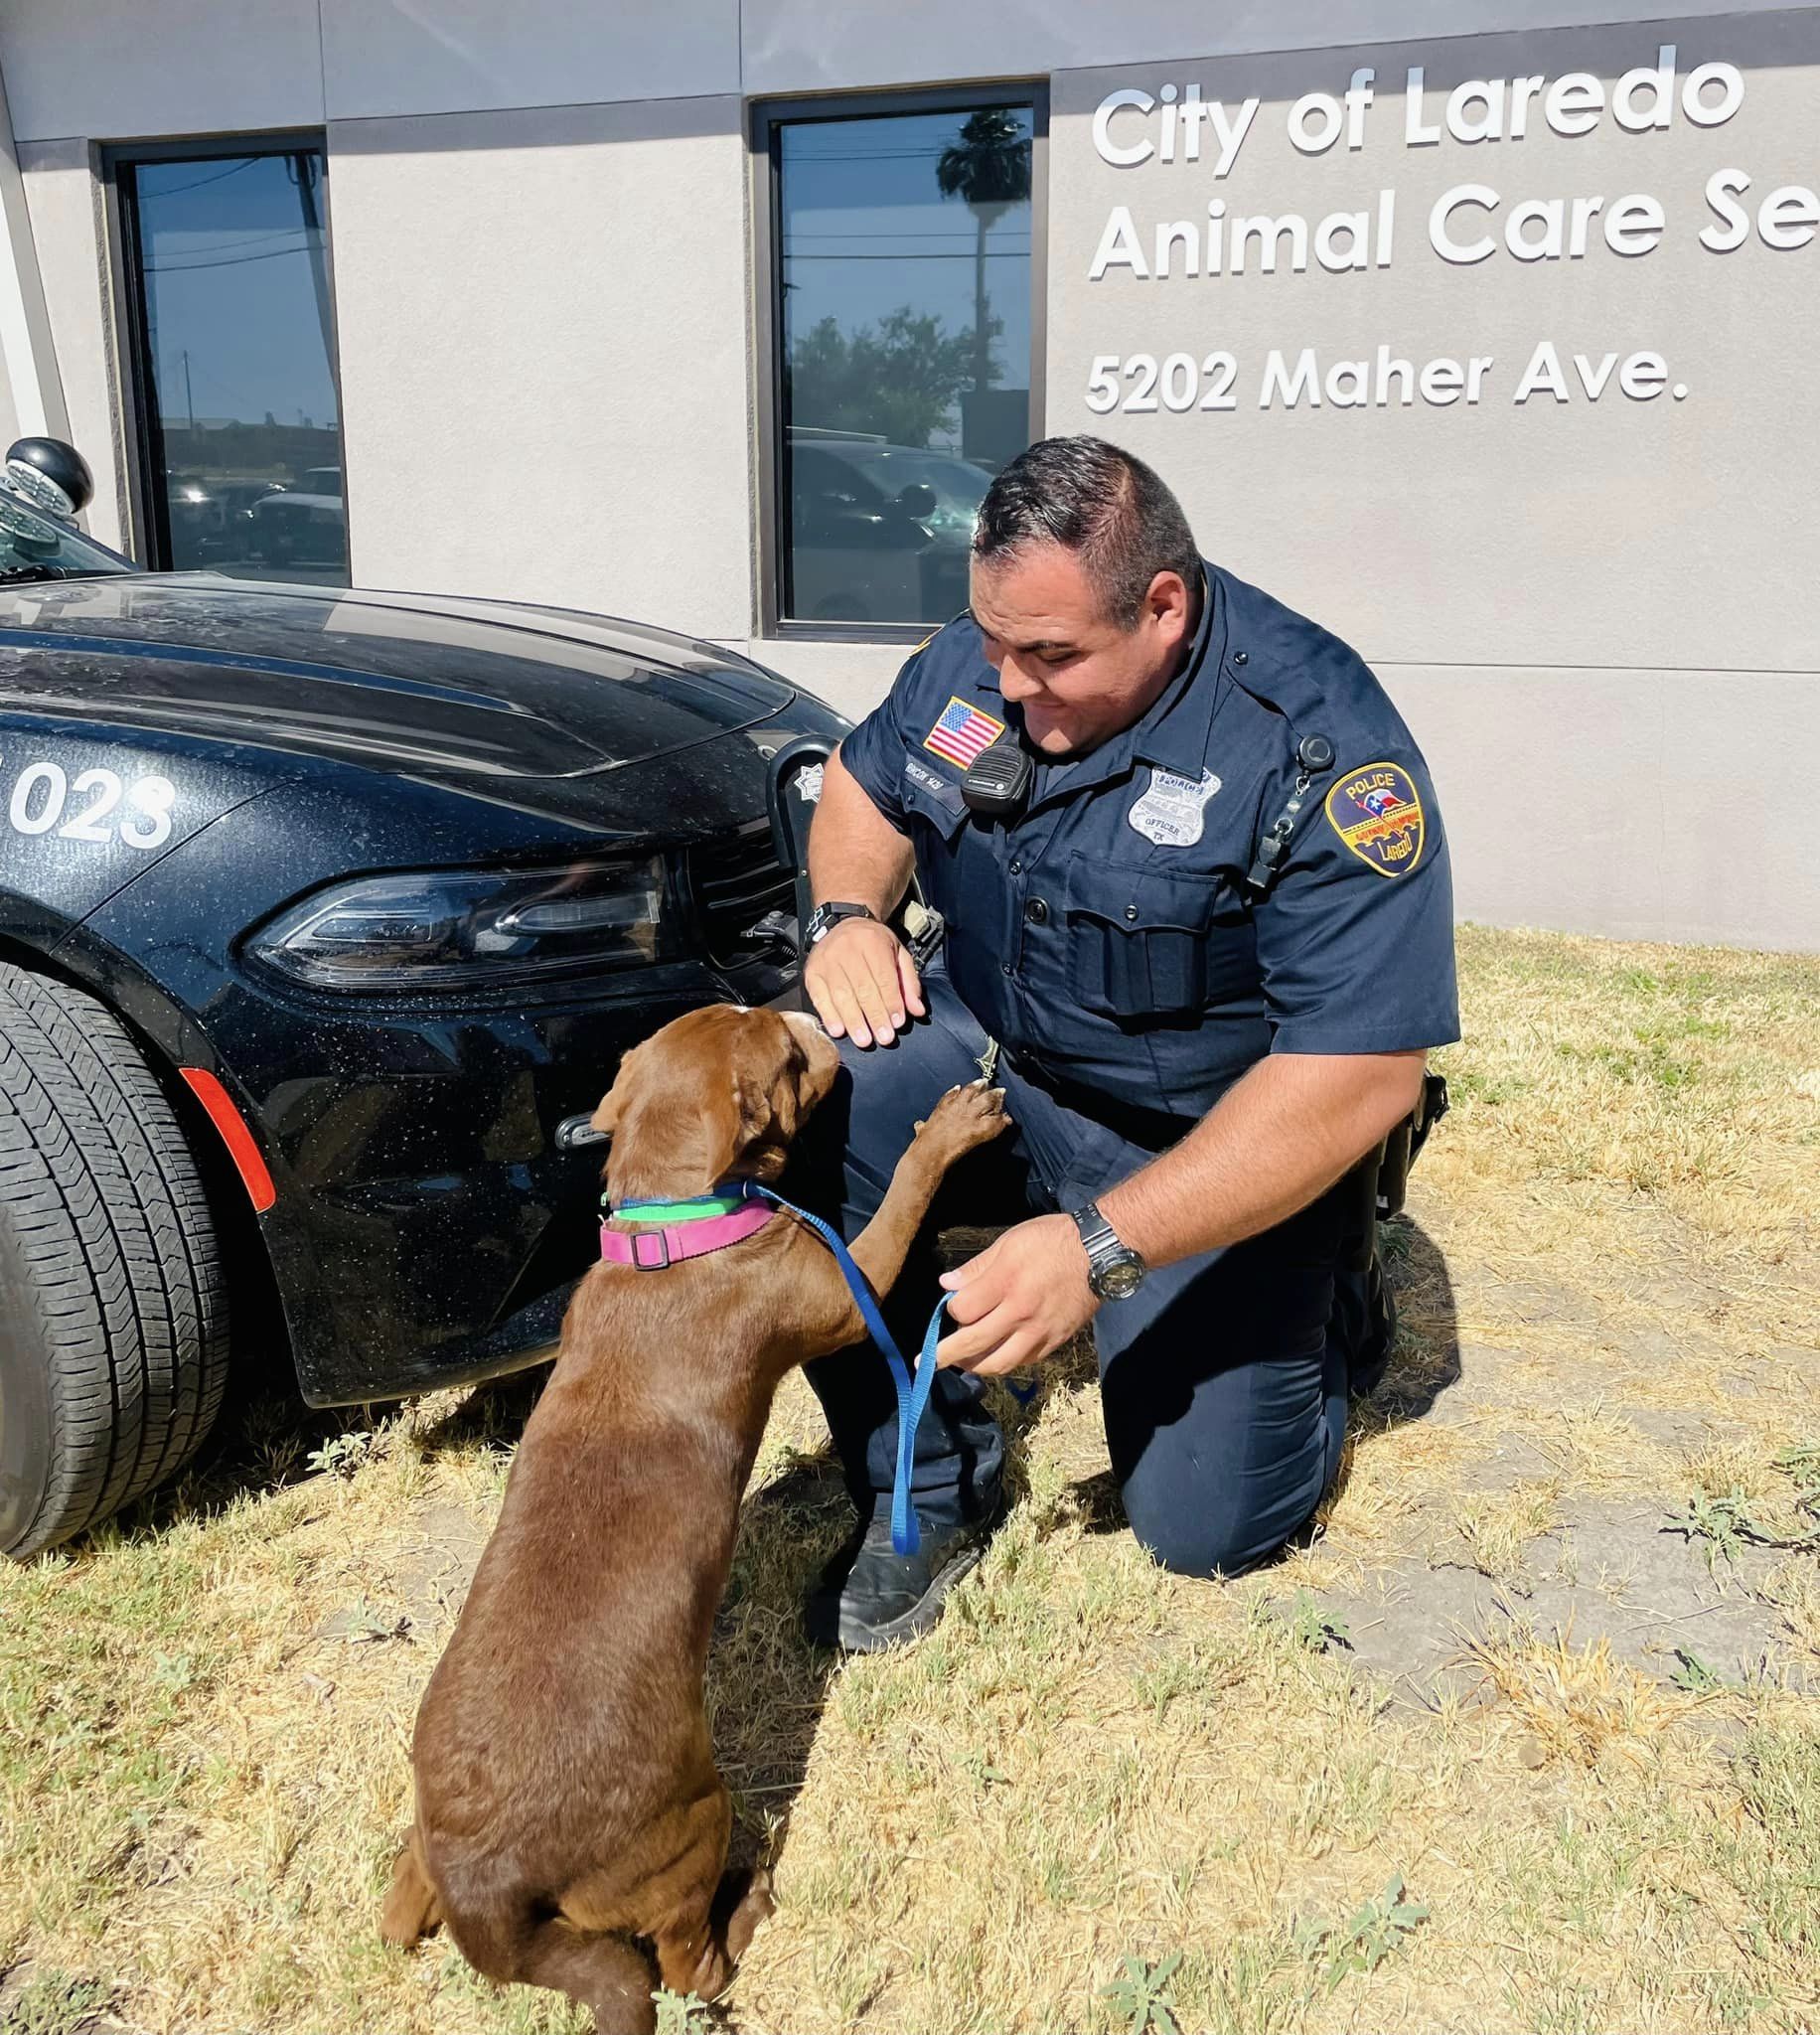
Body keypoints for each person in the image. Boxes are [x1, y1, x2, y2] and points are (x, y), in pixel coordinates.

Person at [793, 435, 1456, 1652]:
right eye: (992, 642)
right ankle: (930, 1483)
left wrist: (1095, 1246)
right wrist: (843, 915)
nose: (1006, 684)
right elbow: (865, 781)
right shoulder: (985, 660)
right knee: (807, 1114)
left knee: (1205, 1529)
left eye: (1048, 657)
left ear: (1161, 607)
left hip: (1199, 1133)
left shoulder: (1314, 743)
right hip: (996, 1055)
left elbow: (1362, 1067)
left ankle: (1325, 1288)